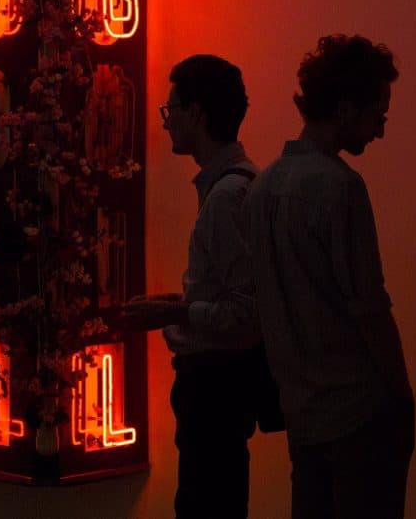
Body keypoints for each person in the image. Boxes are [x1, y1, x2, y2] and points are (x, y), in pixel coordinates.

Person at [243, 35, 414, 518]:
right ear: (344, 108)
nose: (379, 132)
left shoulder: (261, 188)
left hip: (303, 418)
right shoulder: (339, 188)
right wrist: (403, 400)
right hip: (357, 416)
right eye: (377, 116)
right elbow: (370, 311)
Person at [120, 54, 263, 519]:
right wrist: (178, 303)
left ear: (197, 114)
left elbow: (245, 310)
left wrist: (177, 313)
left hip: (215, 388)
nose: (166, 123)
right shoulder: (236, 187)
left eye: (171, 109)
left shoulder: (224, 198)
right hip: (221, 389)